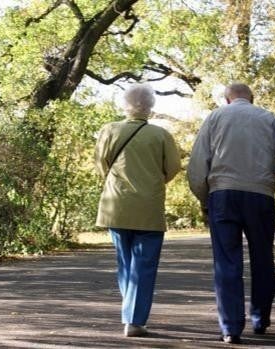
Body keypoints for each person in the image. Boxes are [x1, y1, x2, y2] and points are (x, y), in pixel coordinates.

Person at [187, 82, 275, 344]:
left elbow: (197, 162)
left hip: (223, 195)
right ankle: (260, 319)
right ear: (251, 98)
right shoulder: (269, 118)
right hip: (260, 195)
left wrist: (204, 198)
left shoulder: (215, 118)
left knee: (226, 261)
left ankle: (230, 328)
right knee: (262, 257)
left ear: (227, 100)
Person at [95, 83, 181, 337]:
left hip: (116, 205)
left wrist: (114, 182)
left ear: (125, 105)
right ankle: (133, 319)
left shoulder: (109, 130)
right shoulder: (161, 135)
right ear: (151, 106)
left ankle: (131, 312)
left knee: (125, 262)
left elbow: (101, 164)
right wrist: (154, 181)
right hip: (149, 207)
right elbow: (174, 167)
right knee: (144, 265)